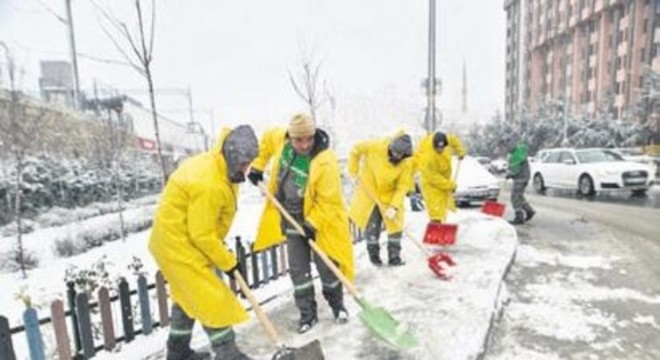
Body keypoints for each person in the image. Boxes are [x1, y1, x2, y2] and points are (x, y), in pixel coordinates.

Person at [149, 125, 259, 360]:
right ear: (231, 156)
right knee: (211, 299)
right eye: (243, 163)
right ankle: (228, 354)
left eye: (248, 163)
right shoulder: (209, 182)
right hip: (178, 244)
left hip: (177, 240)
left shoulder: (220, 168)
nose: (246, 169)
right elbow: (202, 234)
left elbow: (204, 228)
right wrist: (229, 263)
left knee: (188, 296)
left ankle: (177, 352)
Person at [247, 113, 355, 334]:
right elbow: (266, 140)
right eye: (299, 140)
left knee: (327, 267)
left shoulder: (325, 162)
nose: (305, 144)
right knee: (299, 271)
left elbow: (329, 201)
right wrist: (258, 166)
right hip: (289, 217)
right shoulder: (282, 141)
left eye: (309, 138)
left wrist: (312, 224)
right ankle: (308, 315)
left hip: (320, 222)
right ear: (290, 137)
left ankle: (338, 306)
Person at [347, 132, 414, 266]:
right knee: (372, 227)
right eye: (395, 152)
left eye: (401, 155)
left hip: (390, 197)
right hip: (369, 194)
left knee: (396, 227)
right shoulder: (375, 146)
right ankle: (374, 257)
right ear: (391, 147)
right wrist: (353, 172)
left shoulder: (406, 164)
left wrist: (394, 206)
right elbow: (355, 150)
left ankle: (394, 257)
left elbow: (403, 186)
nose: (397, 156)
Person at [413, 131, 467, 223]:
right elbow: (433, 177)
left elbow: (454, 140)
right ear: (434, 145)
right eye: (438, 148)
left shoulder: (446, 140)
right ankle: (435, 228)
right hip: (430, 184)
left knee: (443, 207)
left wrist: (460, 151)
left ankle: (440, 226)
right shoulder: (427, 157)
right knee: (435, 209)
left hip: (443, 178)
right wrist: (449, 185)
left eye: (442, 147)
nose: (440, 150)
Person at [506, 141, 535, 225]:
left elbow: (515, 169)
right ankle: (529, 211)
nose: (507, 150)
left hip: (520, 179)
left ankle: (519, 217)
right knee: (519, 196)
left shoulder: (516, 155)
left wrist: (509, 174)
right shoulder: (519, 152)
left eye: (507, 148)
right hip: (524, 177)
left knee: (514, 197)